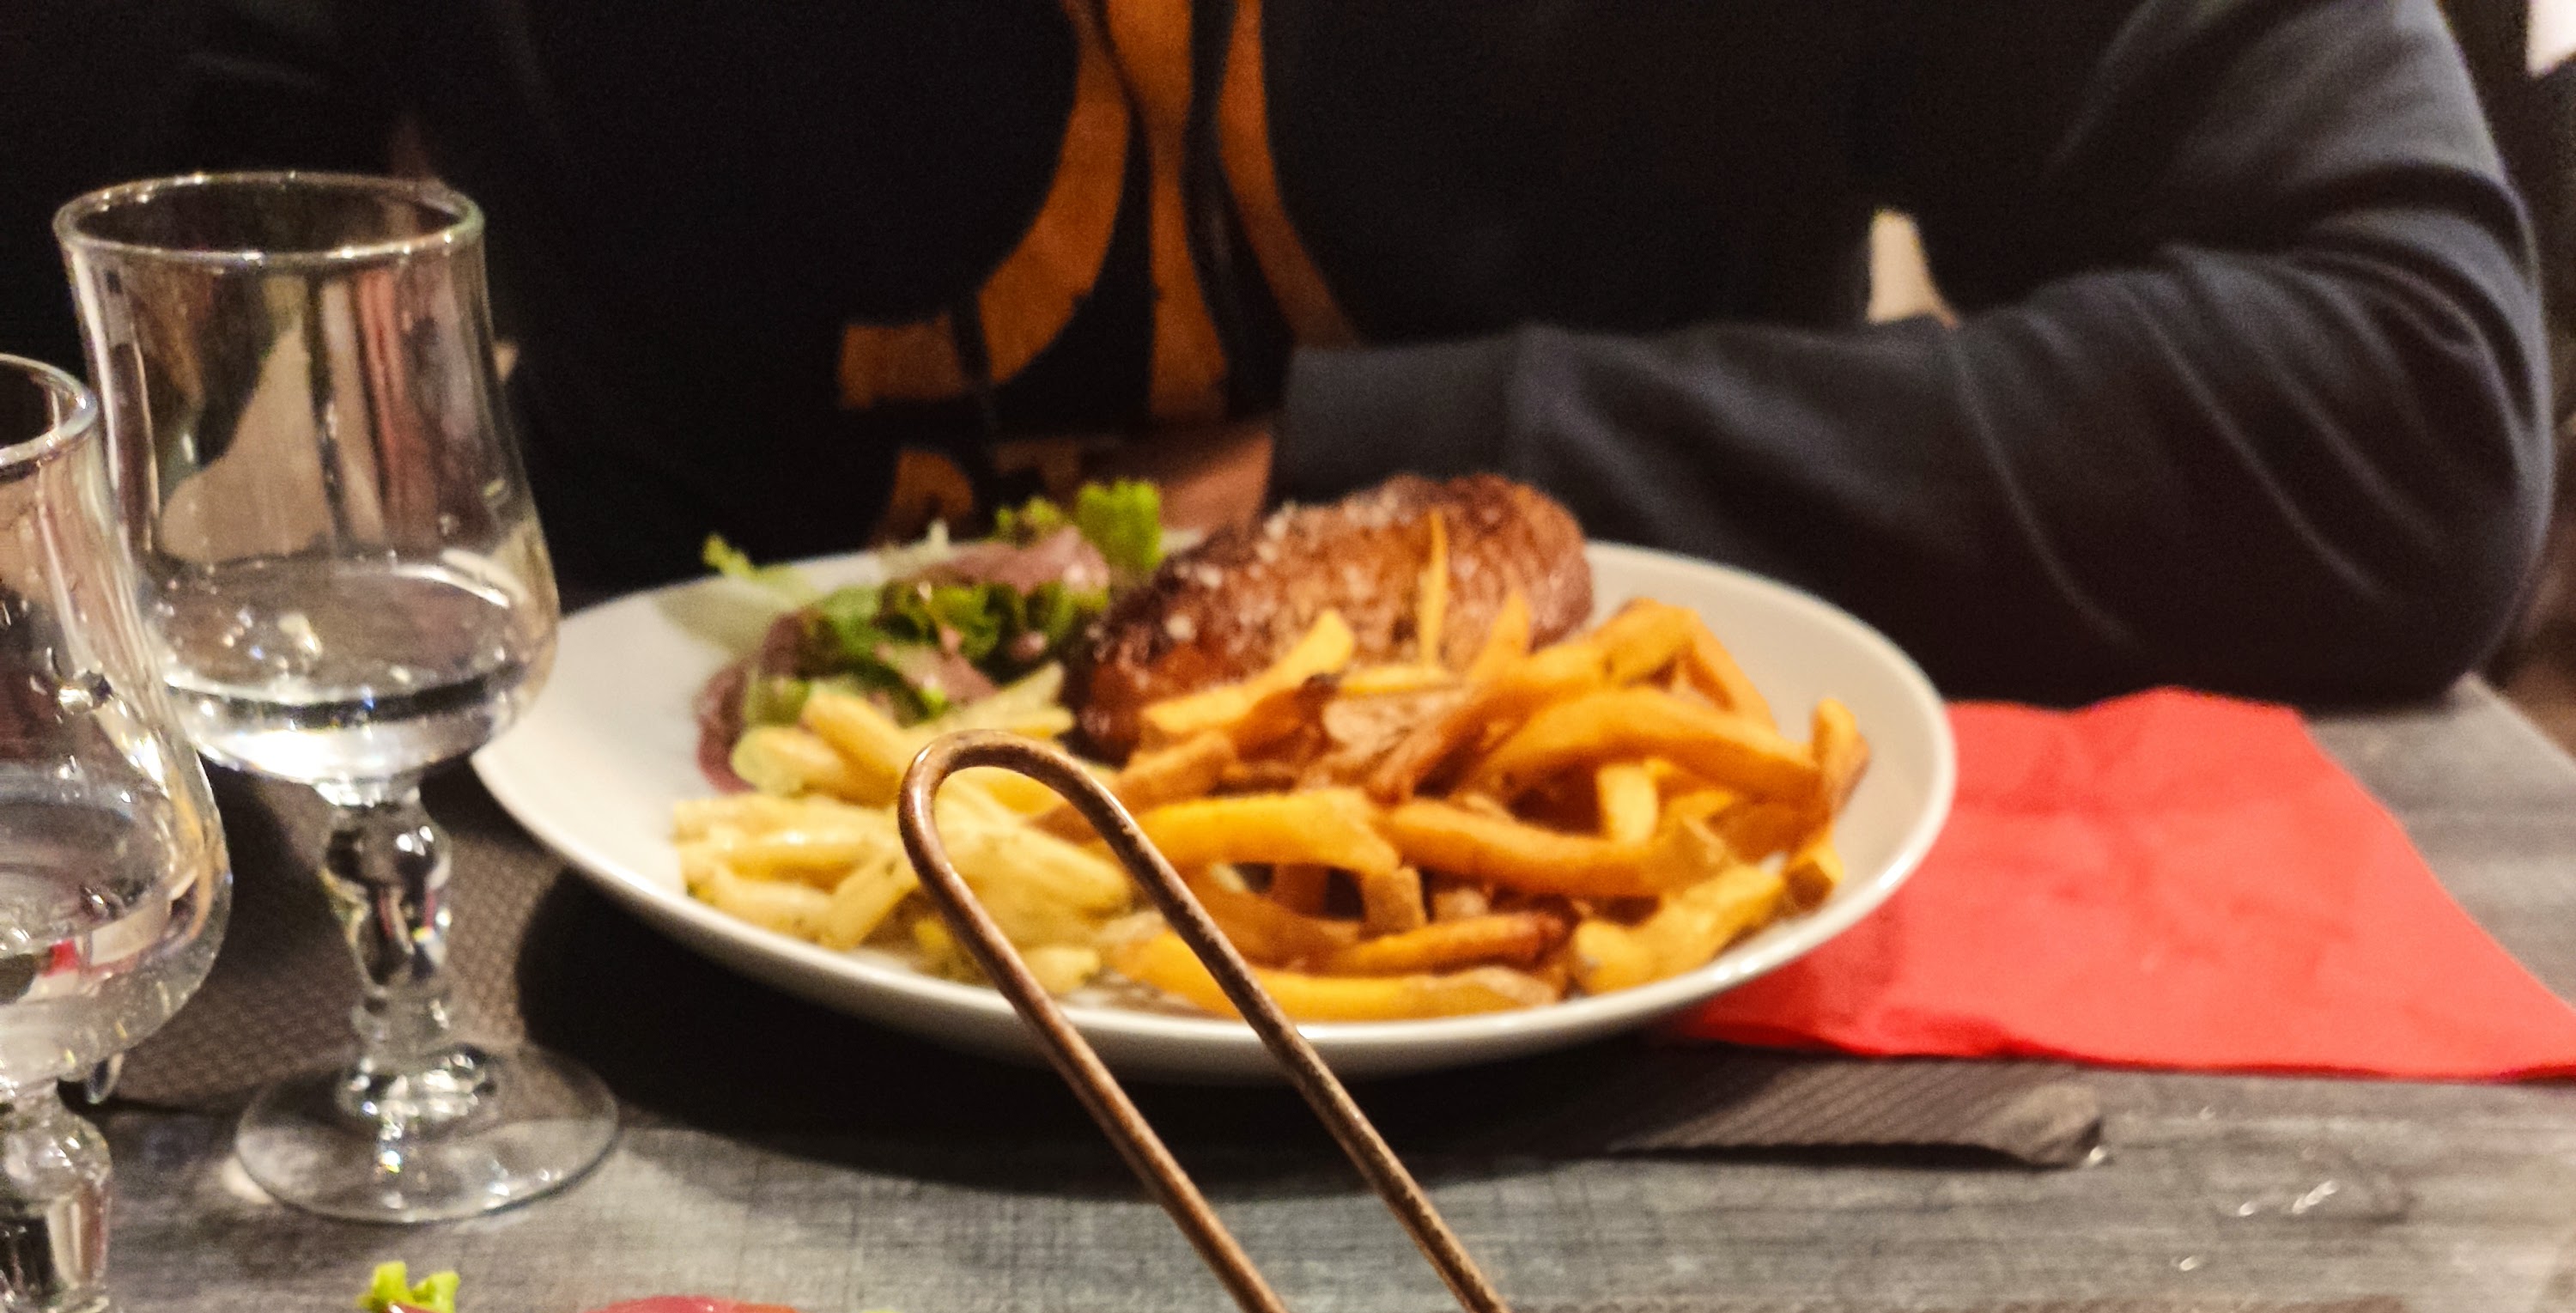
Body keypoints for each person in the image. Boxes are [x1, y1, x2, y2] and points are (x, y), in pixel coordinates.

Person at [0, 0, 2553, 703]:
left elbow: (2411, 408)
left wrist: (1377, 477)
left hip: (1652, 1022)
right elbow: (73, 367)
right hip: (644, 955)